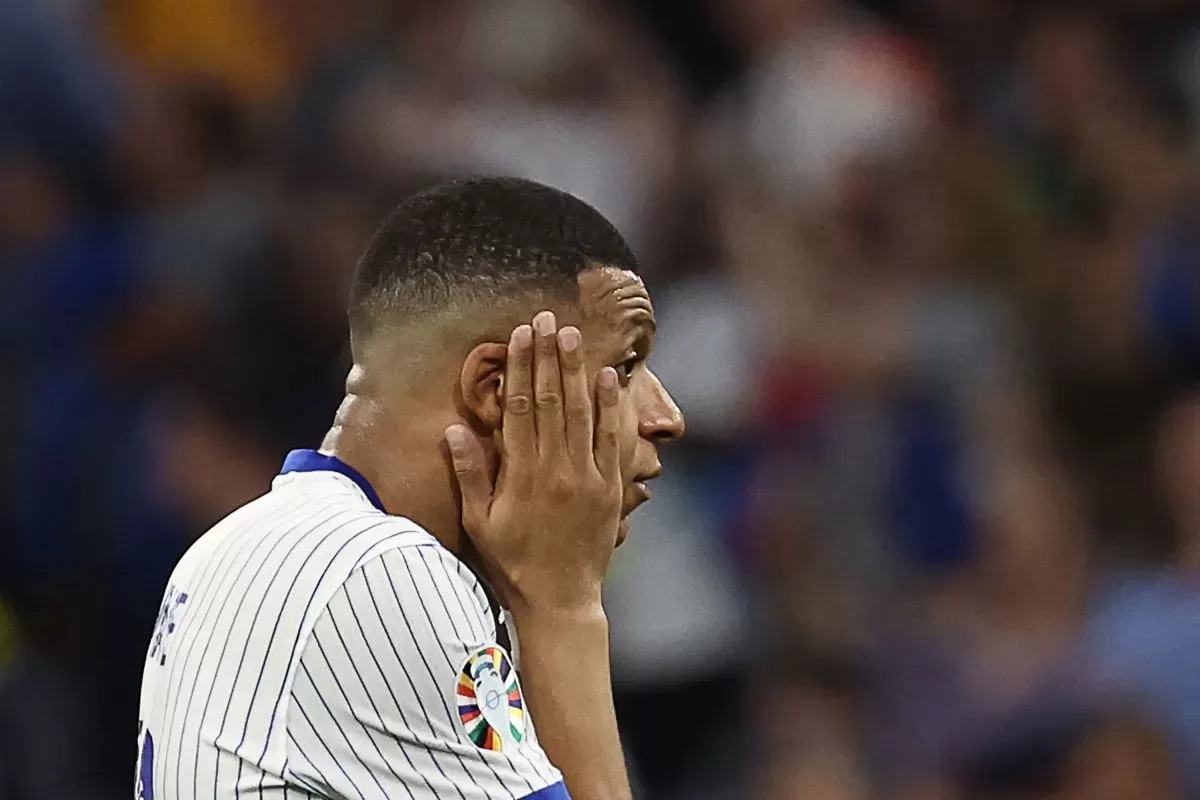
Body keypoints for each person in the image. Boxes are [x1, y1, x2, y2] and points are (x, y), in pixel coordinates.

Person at [134, 176, 685, 800]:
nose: (665, 416)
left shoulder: (236, 547)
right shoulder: (381, 573)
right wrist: (564, 607)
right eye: (626, 366)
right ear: (497, 389)